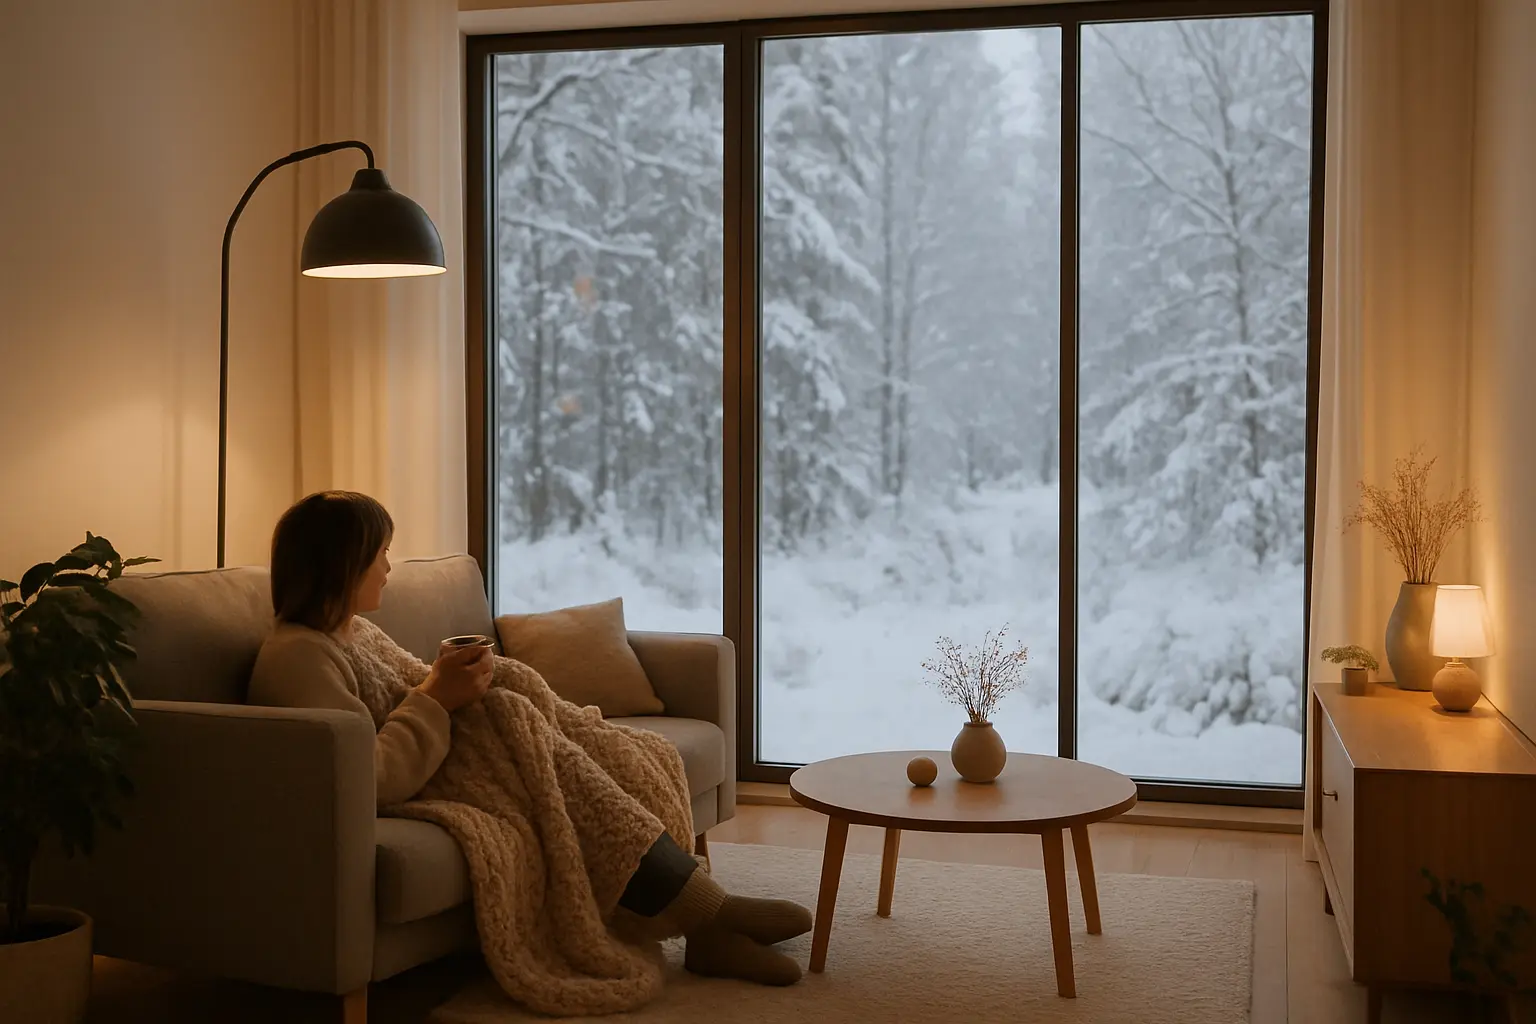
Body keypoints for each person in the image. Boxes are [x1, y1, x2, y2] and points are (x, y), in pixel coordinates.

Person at [247, 490, 810, 991]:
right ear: (342, 563)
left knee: (616, 756)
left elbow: (408, 688)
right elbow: (368, 774)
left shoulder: (353, 628)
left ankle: (706, 921)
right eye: (380, 553)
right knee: (564, 779)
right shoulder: (299, 658)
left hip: (451, 752)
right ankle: (708, 916)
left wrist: (448, 678)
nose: (389, 567)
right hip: (434, 778)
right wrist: (440, 695)